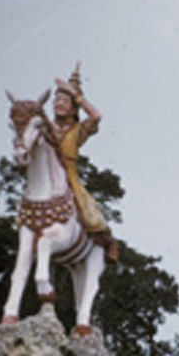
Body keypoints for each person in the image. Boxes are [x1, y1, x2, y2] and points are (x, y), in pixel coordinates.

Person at [49, 63, 118, 261]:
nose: (59, 104)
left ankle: (109, 240)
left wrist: (76, 94)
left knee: (89, 215)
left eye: (65, 101)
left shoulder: (77, 130)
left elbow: (96, 116)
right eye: (57, 100)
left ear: (74, 107)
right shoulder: (48, 126)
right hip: (47, 174)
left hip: (69, 177)